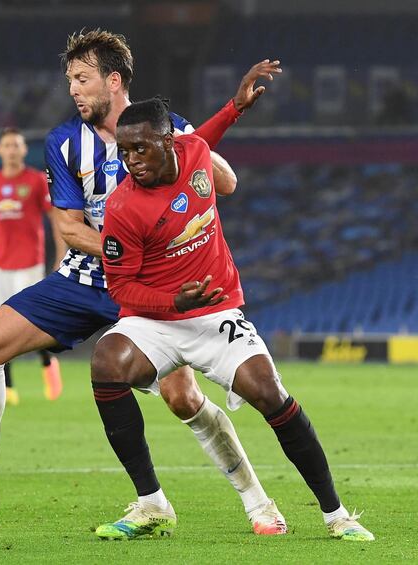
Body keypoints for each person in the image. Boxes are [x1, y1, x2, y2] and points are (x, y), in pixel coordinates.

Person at [0, 30, 285, 536]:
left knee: (183, 398)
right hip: (84, 279)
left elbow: (225, 184)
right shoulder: (63, 142)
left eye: (83, 78)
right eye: (70, 79)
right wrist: (123, 248)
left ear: (114, 82)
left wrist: (191, 141)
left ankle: (258, 502)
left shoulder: (165, 130)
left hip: (147, 290)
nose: (73, 88)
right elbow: (69, 229)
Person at [92, 96, 374, 541]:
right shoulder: (123, 207)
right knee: (106, 361)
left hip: (216, 311)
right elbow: (120, 288)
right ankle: (152, 503)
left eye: (140, 149)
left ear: (169, 143)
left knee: (270, 393)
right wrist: (172, 303)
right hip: (156, 317)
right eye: (124, 152)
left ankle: (337, 515)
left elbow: (205, 137)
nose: (132, 161)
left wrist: (237, 106)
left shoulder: (196, 153)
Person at [0, 127, 67, 405]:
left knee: (32, 324)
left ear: (23, 150)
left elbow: (55, 218)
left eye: (16, 145)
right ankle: (8, 387)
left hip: (29, 263)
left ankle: (48, 364)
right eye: (7, 145)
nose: (12, 150)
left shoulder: (37, 180)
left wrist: (61, 252)